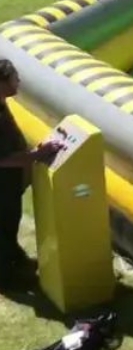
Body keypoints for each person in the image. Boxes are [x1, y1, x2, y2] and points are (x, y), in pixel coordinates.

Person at [0, 60, 63, 290]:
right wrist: (38, 155)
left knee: (8, 227)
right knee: (3, 228)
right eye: (14, 78)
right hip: (2, 184)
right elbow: (2, 159)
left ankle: (15, 259)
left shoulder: (2, 104)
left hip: (9, 183)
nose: (19, 81)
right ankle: (7, 278)